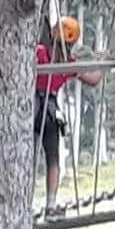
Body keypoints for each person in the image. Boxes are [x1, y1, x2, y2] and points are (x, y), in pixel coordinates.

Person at [35, 15, 102, 218]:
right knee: (52, 157)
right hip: (48, 110)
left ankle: (38, 204)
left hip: (32, 107)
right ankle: (51, 204)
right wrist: (103, 62)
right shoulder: (68, 63)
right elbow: (93, 79)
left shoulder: (40, 53)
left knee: (35, 157)